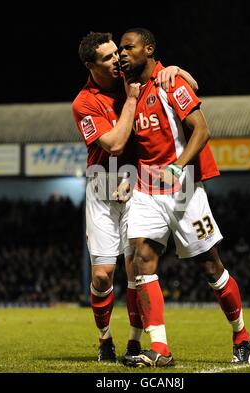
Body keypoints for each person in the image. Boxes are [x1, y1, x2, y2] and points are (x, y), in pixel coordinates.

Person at [118, 28, 250, 367]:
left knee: (211, 267)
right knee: (140, 260)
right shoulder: (133, 89)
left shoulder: (169, 83)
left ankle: (241, 335)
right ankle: (160, 348)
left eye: (128, 48)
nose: (122, 54)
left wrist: (177, 168)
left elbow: (202, 129)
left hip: (184, 189)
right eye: (119, 49)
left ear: (148, 49)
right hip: (147, 189)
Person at [72, 31, 198, 362]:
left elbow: (184, 84)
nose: (118, 60)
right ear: (91, 65)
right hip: (101, 186)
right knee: (102, 275)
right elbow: (112, 144)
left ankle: (133, 342)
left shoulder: (132, 74)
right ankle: (104, 339)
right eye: (109, 57)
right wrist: (130, 101)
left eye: (118, 53)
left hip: (135, 183)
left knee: (135, 269)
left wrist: (177, 70)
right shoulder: (84, 103)